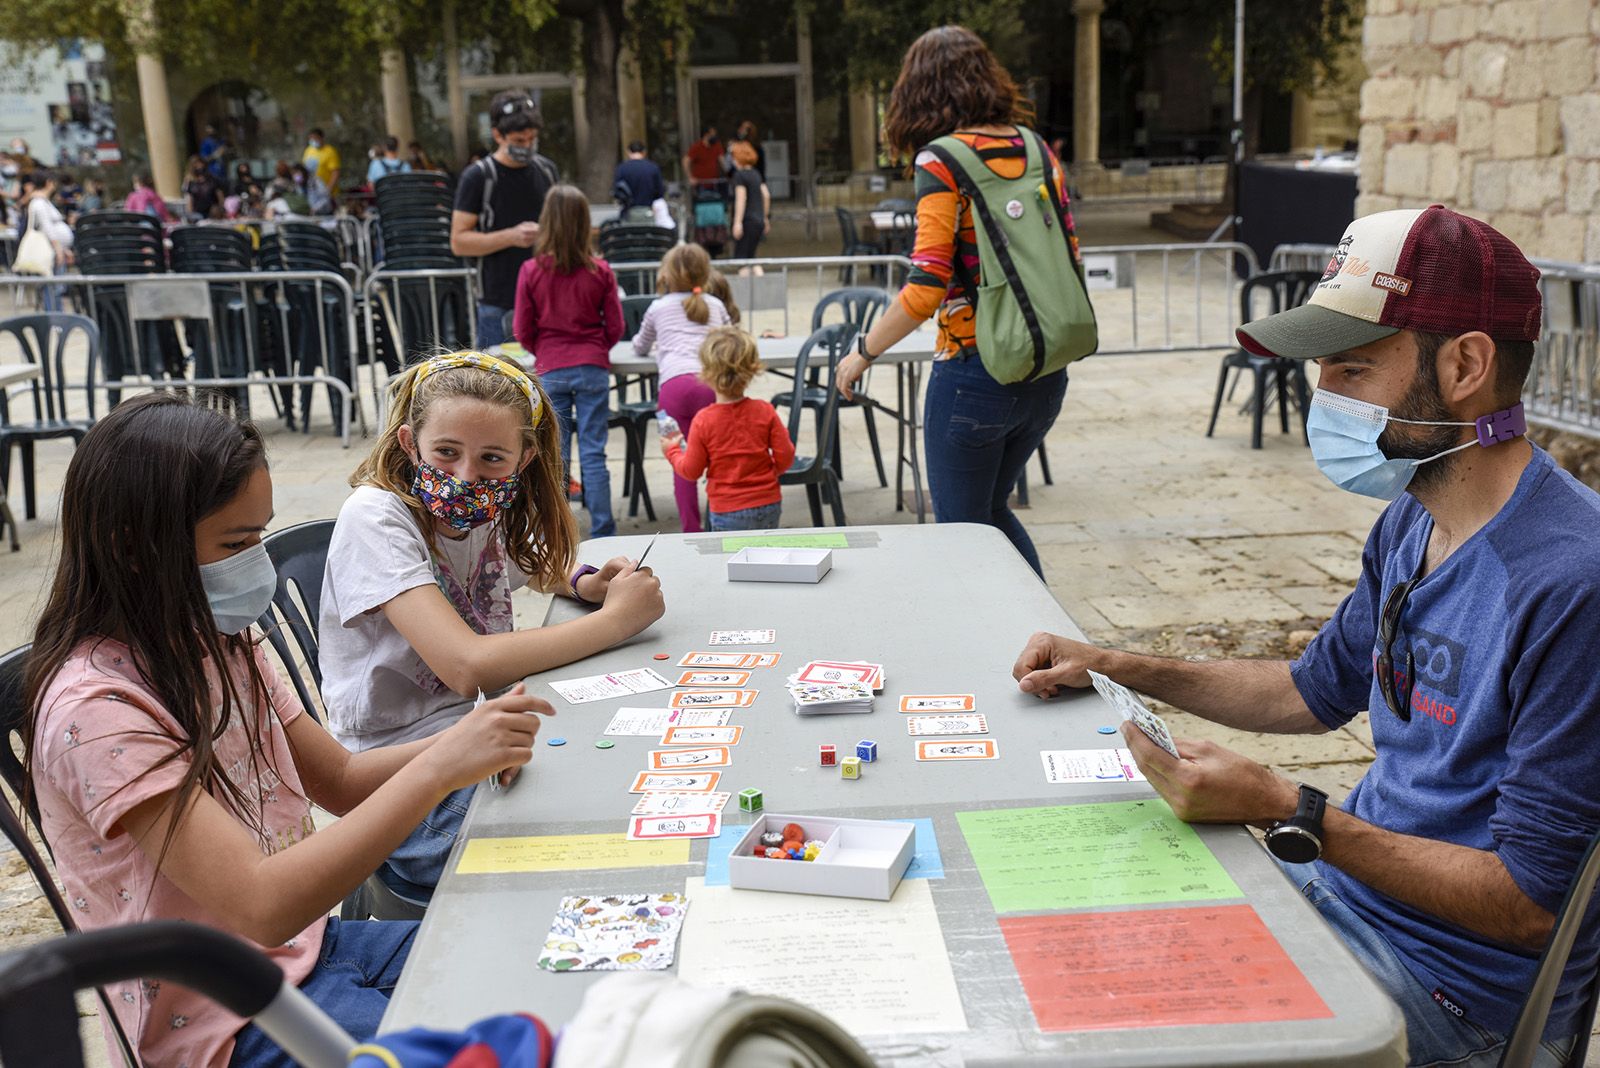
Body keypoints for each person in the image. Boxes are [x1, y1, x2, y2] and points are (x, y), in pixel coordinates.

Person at [1012, 207, 1598, 1068]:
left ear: (1466, 364)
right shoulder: (1413, 519)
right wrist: (1112, 664)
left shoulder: (1571, 584)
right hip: (1342, 894)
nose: (1324, 396)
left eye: (1354, 368)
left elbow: (1531, 906)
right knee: (1082, 940)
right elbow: (1311, 692)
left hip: (1457, 996)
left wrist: (1294, 809)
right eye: (1322, 366)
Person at [22, 393, 551, 1068]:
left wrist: (469, 743)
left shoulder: (219, 640)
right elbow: (262, 906)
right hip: (225, 1022)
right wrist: (441, 767)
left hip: (309, 952)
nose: (256, 565)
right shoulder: (97, 710)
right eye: (236, 544)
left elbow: (340, 780)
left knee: (539, 960)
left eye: (259, 535)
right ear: (136, 549)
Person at [319, 353, 664, 901]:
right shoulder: (376, 517)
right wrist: (618, 622)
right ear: (410, 443)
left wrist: (583, 582)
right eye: (446, 453)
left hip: (473, 738)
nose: (464, 477)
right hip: (394, 780)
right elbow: (466, 666)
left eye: (491, 459)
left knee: (620, 789)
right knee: (577, 856)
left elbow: (526, 565)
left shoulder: (482, 504)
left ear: (524, 459)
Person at [837, 25, 1082, 578]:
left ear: (918, 91)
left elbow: (926, 287)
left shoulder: (941, 161)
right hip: (1045, 370)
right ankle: (1051, 645)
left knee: (960, 531)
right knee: (989, 513)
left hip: (974, 373)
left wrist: (862, 352)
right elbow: (1069, 251)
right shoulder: (1034, 146)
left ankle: (1023, 649)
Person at [512, 184, 624, 539]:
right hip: (592, 364)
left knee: (554, 456)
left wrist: (544, 350)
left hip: (551, 367)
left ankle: (558, 529)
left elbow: (522, 329)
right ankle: (604, 529)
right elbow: (617, 326)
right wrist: (596, 348)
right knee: (594, 451)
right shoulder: (601, 270)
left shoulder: (531, 271)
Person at [633, 243, 733, 533]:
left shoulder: (658, 307)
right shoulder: (716, 305)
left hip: (672, 389)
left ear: (666, 274)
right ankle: (722, 520)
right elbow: (730, 339)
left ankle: (691, 528)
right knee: (717, 455)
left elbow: (640, 345)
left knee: (681, 457)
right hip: (710, 385)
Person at [450, 91, 561, 348]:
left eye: (532, 139)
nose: (526, 146)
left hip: (548, 298)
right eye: (519, 140)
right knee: (496, 385)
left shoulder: (546, 170)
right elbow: (459, 241)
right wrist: (511, 236)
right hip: (498, 301)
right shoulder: (478, 177)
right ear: (498, 135)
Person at [661, 326, 793, 532]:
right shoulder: (765, 411)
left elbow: (691, 471)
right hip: (768, 503)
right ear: (752, 370)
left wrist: (672, 451)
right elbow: (786, 456)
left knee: (729, 562)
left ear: (706, 373)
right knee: (766, 558)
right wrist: (768, 474)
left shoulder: (704, 421)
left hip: (727, 508)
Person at [21, 171, 73, 311]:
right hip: (50, 251)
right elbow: (47, 228)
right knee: (52, 287)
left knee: (55, 287)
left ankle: (57, 316)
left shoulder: (43, 201)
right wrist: (58, 248)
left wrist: (63, 249)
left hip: (56, 249)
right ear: (48, 182)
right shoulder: (38, 202)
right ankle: (55, 317)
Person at [729, 140, 769, 265]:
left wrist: (737, 223)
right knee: (751, 258)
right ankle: (762, 283)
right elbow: (766, 195)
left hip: (747, 221)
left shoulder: (739, 176)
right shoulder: (756, 174)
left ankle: (745, 284)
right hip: (758, 220)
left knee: (742, 261)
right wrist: (765, 217)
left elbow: (741, 199)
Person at [614, 140, 665, 217]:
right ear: (644, 152)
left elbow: (617, 192)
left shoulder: (622, 168)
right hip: (648, 212)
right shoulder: (653, 168)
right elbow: (660, 192)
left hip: (628, 213)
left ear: (628, 152)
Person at [301, 126, 340, 194]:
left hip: (328, 193)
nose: (313, 140)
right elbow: (304, 168)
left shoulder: (330, 151)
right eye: (311, 138)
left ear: (322, 138)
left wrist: (329, 189)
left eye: (315, 138)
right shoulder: (308, 150)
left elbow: (335, 172)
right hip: (313, 191)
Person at [183, 154, 223, 220]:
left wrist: (221, 208)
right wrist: (190, 214)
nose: (199, 167)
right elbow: (189, 198)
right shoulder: (191, 182)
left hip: (213, 212)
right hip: (198, 213)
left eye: (200, 163)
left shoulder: (212, 179)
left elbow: (220, 195)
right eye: (196, 164)